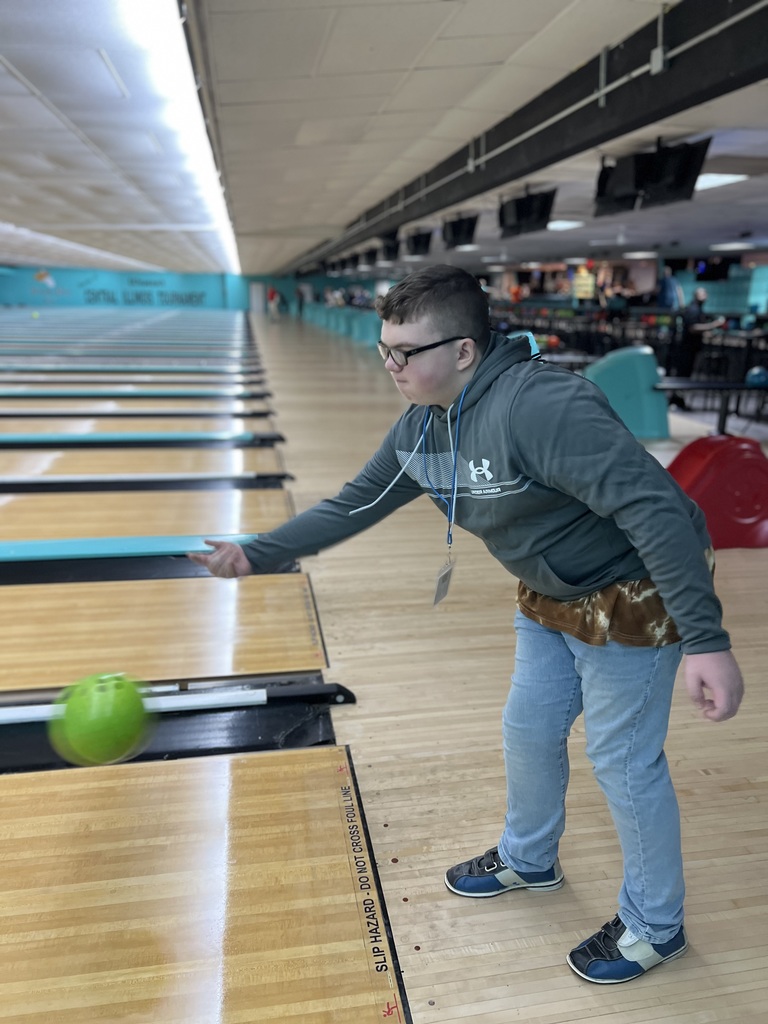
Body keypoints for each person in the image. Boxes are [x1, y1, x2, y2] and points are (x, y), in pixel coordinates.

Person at [188, 265, 744, 985]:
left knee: (623, 761)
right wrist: (255, 553)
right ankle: (528, 858)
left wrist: (706, 640)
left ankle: (654, 925)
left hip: (637, 589)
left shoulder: (541, 406)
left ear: (463, 351)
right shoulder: (423, 429)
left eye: (407, 352)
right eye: (384, 349)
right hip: (552, 591)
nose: (392, 366)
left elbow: (657, 511)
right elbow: (354, 504)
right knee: (528, 727)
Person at [668, 287, 726, 409]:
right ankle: (675, 400)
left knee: (685, 375)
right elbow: (693, 328)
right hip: (686, 348)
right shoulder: (693, 309)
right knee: (682, 375)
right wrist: (714, 325)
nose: (705, 296)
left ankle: (678, 400)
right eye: (702, 294)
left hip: (690, 348)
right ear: (696, 295)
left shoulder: (697, 309)